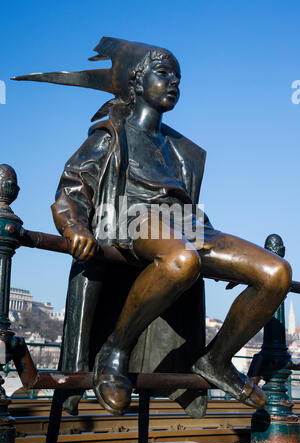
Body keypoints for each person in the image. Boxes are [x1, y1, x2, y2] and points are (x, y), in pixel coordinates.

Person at [14, 37, 292, 416]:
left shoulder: (181, 150)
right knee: (182, 260)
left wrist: (221, 249)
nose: (174, 82)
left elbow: (188, 209)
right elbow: (72, 189)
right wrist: (73, 226)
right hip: (131, 216)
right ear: (137, 82)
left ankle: (217, 361)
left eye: (178, 76)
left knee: (275, 272)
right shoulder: (110, 135)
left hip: (186, 224)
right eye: (163, 74)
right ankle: (115, 352)